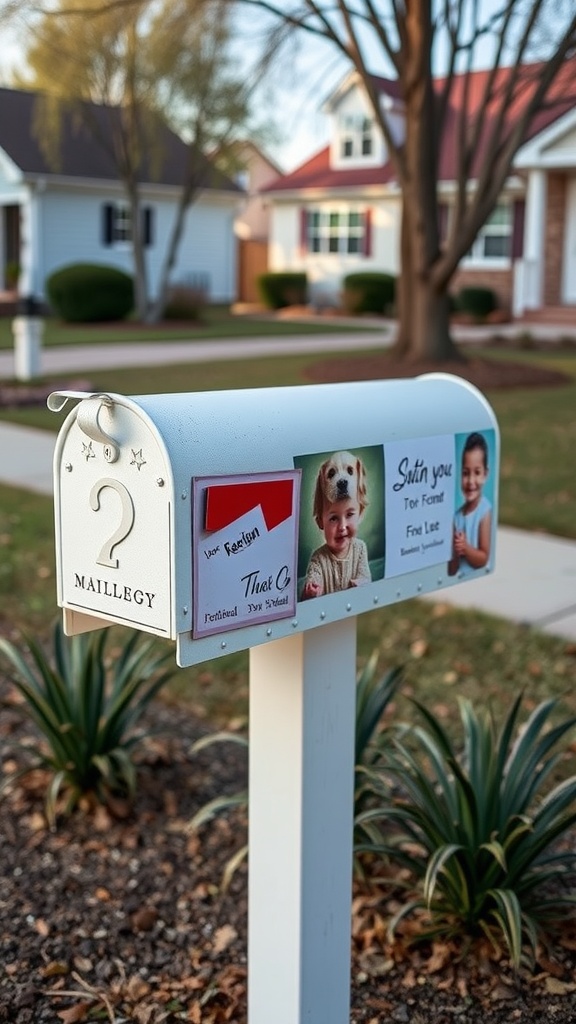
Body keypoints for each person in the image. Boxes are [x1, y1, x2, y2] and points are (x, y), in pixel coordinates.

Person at [301, 496, 371, 598]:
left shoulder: (360, 548)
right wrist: (312, 591)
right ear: (320, 522)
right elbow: (313, 580)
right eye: (334, 518)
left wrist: (362, 583)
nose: (342, 527)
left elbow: (365, 576)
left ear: (359, 515)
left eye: (349, 515)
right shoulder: (318, 558)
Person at [448, 432, 492, 576]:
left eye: (477, 473)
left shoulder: (485, 512)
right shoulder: (456, 516)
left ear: (485, 474)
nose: (471, 481)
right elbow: (452, 569)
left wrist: (465, 548)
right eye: (466, 473)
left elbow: (484, 558)